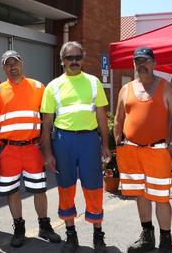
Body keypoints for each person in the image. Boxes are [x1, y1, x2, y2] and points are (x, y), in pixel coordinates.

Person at [0, 50, 60, 248]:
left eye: (15, 63)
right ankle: (19, 228)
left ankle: (44, 225)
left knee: (39, 189)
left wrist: (45, 142)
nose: (12, 67)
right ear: (3, 67)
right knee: (12, 191)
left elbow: (47, 118)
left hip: (31, 148)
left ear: (22, 64)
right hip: (7, 150)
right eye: (8, 64)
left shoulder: (37, 87)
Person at [41, 41, 111, 253]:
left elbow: (101, 117)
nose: (74, 61)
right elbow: (47, 123)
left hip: (89, 140)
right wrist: (48, 152)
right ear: (62, 60)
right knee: (65, 187)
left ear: (83, 59)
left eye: (77, 57)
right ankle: (71, 235)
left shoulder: (93, 82)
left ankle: (98, 235)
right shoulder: (52, 86)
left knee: (94, 187)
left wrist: (106, 145)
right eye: (69, 58)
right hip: (63, 141)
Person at [114, 46, 172, 253]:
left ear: (154, 63)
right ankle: (147, 237)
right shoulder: (126, 89)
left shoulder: (166, 87)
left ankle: (166, 241)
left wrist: (171, 146)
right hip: (132, 151)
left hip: (158, 151)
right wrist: (118, 143)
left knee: (161, 198)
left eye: (145, 61)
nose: (141, 65)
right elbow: (118, 119)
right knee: (140, 195)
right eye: (137, 61)